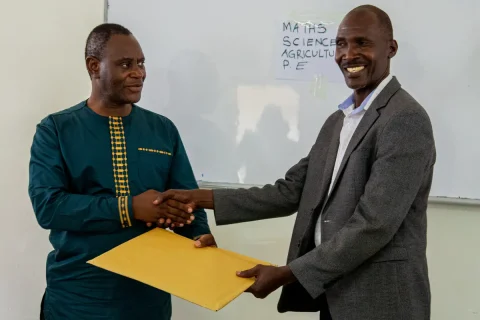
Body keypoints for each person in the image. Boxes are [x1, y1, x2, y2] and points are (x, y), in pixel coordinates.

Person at [155, 5, 435, 320]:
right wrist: (198, 198)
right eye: (341, 44)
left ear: (390, 48)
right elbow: (290, 191)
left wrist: (288, 273)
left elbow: (374, 225)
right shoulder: (338, 121)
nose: (348, 54)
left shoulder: (405, 118)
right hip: (335, 295)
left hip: (382, 302)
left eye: (362, 43)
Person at [28, 23, 216, 320]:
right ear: (94, 67)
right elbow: (48, 207)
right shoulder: (56, 129)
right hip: (77, 300)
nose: (138, 73)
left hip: (148, 300)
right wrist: (130, 208)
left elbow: (186, 202)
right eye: (126, 64)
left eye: (141, 63)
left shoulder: (163, 130)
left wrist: (200, 234)